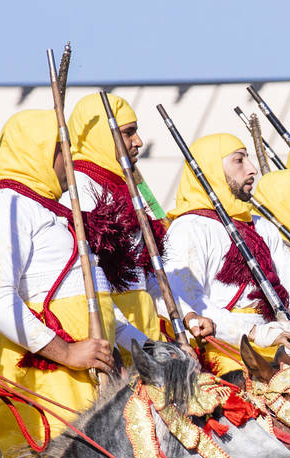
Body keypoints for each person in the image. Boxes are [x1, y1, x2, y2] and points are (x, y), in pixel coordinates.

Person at [0, 110, 146, 457]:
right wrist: (67, 353)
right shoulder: (1, 206)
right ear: (40, 150)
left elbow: (91, 294)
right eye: (63, 150)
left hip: (86, 373)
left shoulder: (53, 209)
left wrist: (143, 348)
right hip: (46, 381)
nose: (72, 161)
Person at [161, 133, 290, 376]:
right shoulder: (189, 228)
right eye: (239, 160)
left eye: (248, 159)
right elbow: (187, 303)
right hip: (225, 354)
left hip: (282, 342)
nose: (252, 169)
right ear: (212, 168)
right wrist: (257, 333)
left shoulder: (261, 226)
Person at [65, 93, 213, 345]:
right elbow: (88, 286)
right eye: (128, 132)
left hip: (144, 334)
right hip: (111, 339)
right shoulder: (78, 189)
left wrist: (187, 316)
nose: (139, 141)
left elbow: (144, 276)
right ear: (102, 135)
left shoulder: (125, 188)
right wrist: (142, 345)